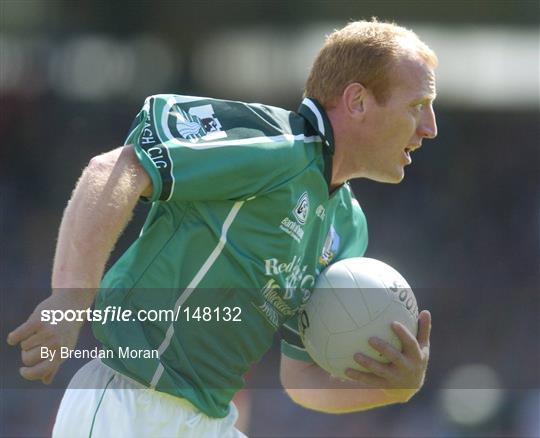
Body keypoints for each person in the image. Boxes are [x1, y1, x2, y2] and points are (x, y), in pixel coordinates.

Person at [7, 19, 438, 437]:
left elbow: (300, 377)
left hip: (211, 422)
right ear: (358, 101)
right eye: (417, 106)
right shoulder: (271, 143)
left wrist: (391, 387)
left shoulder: (348, 227)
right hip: (131, 406)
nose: (429, 128)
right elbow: (116, 168)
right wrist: (69, 298)